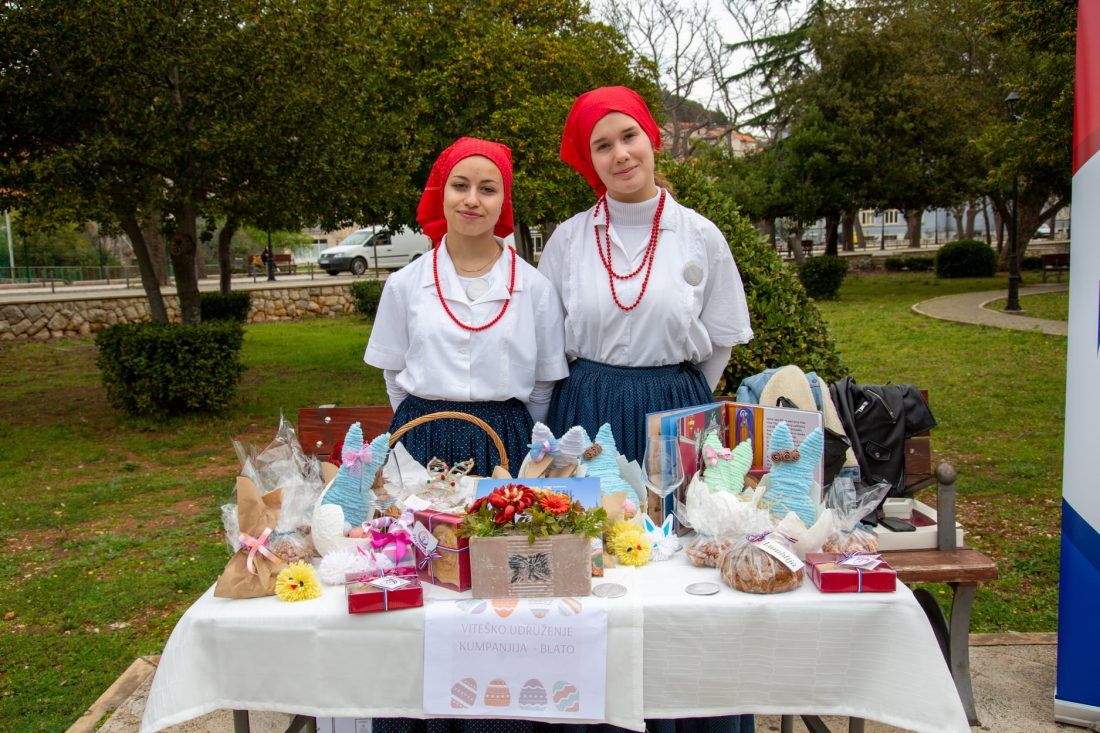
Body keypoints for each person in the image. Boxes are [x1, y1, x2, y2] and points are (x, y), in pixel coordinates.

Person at [539, 86, 754, 468]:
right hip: (586, 407)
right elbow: (546, 343)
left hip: (674, 409)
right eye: (603, 146)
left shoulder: (700, 236)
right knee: (591, 522)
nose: (620, 154)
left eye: (628, 136)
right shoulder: (568, 240)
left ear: (651, 138)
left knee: (674, 521)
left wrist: (679, 394)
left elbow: (721, 340)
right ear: (591, 160)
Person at [364, 137, 568, 477]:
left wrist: (517, 434)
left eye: (487, 189)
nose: (471, 200)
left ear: (504, 200)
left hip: (506, 440)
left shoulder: (536, 289)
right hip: (420, 437)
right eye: (460, 186)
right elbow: (394, 375)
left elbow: (543, 384)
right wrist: (424, 424)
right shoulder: (405, 284)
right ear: (442, 193)